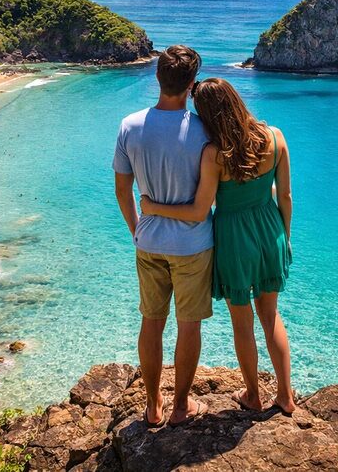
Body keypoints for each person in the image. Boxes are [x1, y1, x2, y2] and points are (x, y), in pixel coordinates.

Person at [140, 77, 296, 415]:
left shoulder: (214, 154)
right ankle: (285, 396)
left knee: (243, 324)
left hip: (233, 240)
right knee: (270, 317)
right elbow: (284, 196)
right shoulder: (275, 137)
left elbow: (199, 211)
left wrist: (153, 207)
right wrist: (286, 238)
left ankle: (253, 395)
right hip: (271, 232)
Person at [113, 45, 212, 428]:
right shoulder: (204, 131)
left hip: (149, 241)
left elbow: (123, 191)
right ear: (191, 85)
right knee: (189, 325)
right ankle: (181, 405)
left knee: (151, 322)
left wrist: (137, 229)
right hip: (193, 245)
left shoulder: (130, 125)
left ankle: (152, 405)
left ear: (157, 78)